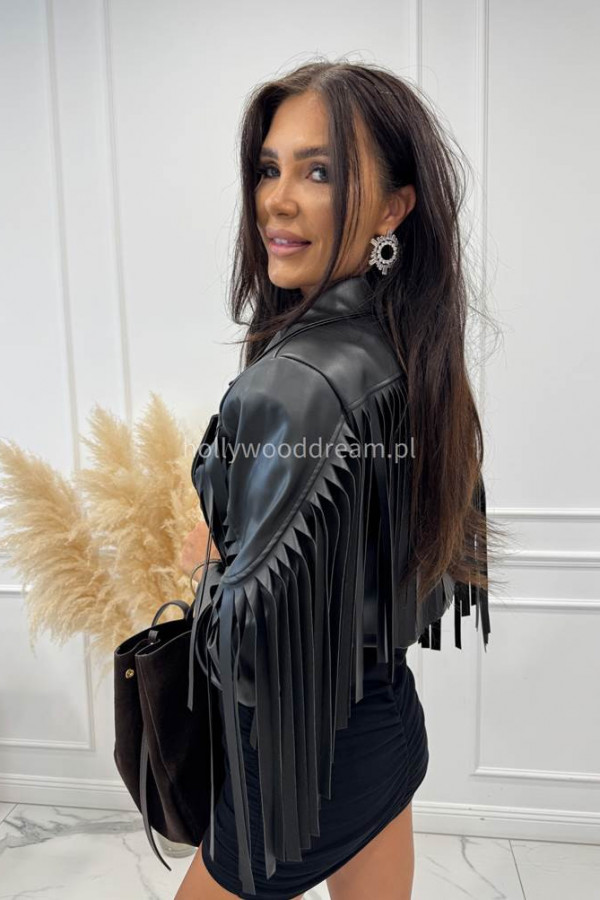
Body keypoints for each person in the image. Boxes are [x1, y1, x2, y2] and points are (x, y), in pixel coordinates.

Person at [175, 59, 505, 900]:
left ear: (395, 208)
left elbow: (247, 648)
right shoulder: (411, 351)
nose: (278, 200)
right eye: (269, 169)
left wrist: (210, 567)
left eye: (318, 172)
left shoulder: (295, 383)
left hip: (292, 770)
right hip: (381, 721)